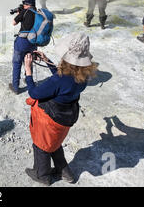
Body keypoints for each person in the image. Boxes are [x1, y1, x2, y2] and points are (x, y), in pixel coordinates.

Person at [23, 33, 97, 186]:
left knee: (41, 145)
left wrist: (28, 72)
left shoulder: (59, 80)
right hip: (66, 117)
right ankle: (65, 173)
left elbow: (35, 93)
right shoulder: (83, 76)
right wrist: (47, 61)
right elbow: (63, 79)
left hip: (51, 118)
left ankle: (42, 175)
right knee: (54, 143)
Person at [10, 0, 38, 95]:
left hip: (22, 41)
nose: (24, 5)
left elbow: (14, 23)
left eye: (25, 4)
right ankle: (28, 79)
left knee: (17, 63)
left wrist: (19, 13)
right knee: (28, 60)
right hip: (33, 42)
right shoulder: (37, 13)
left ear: (28, 4)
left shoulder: (25, 12)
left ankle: (15, 87)